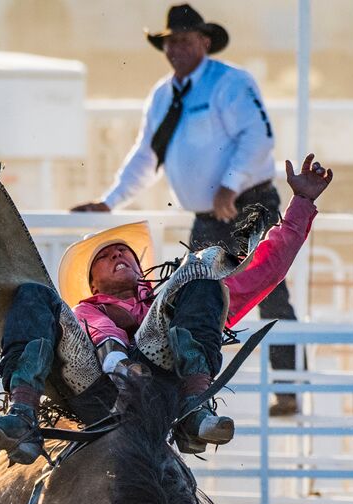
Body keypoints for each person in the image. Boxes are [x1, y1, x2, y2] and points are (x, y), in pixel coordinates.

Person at [0, 154, 332, 465]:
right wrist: (119, 361)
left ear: (141, 268)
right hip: (93, 386)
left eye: (123, 251)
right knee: (32, 293)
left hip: (158, 382)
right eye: (105, 256)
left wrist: (301, 203)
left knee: (203, 284)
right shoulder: (86, 310)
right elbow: (93, 331)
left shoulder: (173, 302)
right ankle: (22, 415)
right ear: (93, 283)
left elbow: (263, 271)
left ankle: (193, 408)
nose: (118, 254)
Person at [70, 4, 301, 417]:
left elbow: (258, 137)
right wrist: (110, 200)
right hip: (208, 213)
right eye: (169, 42)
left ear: (204, 42)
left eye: (183, 40)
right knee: (194, 293)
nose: (175, 49)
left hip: (247, 200)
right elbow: (145, 155)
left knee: (268, 288)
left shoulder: (229, 82)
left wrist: (230, 183)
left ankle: (286, 386)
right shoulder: (163, 94)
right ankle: (188, 390)